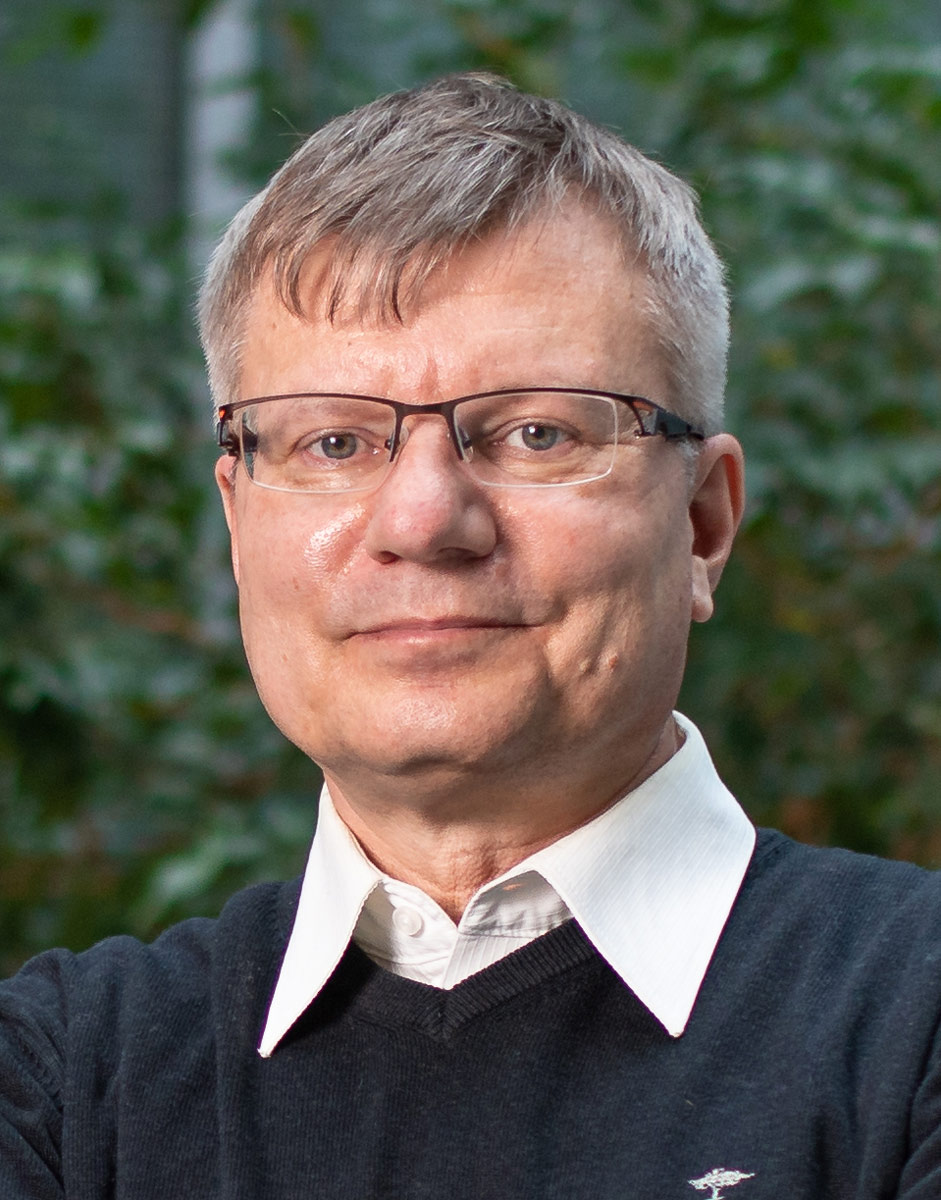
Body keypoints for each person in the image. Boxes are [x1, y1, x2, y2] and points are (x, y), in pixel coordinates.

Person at [2, 72, 940, 1200]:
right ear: (237, 524)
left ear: (701, 523)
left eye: (536, 433)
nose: (422, 521)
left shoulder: (915, 1025)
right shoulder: (57, 1082)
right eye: (333, 444)